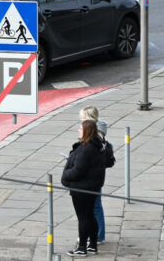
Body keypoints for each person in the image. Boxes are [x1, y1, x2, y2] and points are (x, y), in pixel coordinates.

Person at [61, 119, 109, 256]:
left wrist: (66, 174)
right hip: (93, 187)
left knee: (83, 218)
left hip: (81, 188)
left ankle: (82, 247)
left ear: (86, 131)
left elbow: (78, 170)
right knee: (90, 215)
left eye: (80, 129)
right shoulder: (98, 146)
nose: (78, 131)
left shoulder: (85, 149)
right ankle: (92, 245)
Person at [79, 106, 115, 244]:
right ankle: (95, 235)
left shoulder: (96, 132)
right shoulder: (96, 130)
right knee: (94, 205)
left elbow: (91, 152)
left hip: (93, 175)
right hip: (95, 174)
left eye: (83, 118)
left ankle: (97, 235)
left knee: (95, 205)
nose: (81, 121)